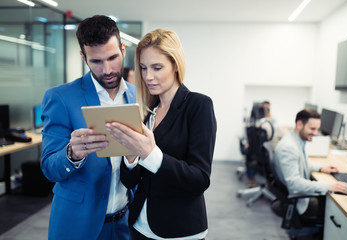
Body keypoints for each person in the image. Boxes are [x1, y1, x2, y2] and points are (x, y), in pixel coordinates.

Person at [105, 29, 217, 239]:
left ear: (175, 65)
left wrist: (150, 154)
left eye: (157, 67)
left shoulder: (198, 105)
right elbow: (131, 182)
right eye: (143, 68)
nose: (148, 76)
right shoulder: (148, 110)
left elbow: (199, 179)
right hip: (140, 225)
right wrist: (130, 158)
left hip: (178, 230)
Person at [40, 15, 136, 240]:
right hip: (77, 225)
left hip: (127, 223)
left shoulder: (139, 95)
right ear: (84, 58)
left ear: (123, 49)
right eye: (97, 61)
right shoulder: (60, 98)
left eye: (113, 57)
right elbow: (49, 167)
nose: (108, 69)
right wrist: (71, 154)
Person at [274, 109, 347, 219]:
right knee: (339, 208)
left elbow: (300, 163)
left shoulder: (296, 140)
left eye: (317, 129)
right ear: (299, 124)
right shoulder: (289, 147)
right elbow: (294, 183)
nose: (315, 133)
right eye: (312, 129)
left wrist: (321, 168)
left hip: (296, 193)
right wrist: (329, 186)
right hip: (298, 199)